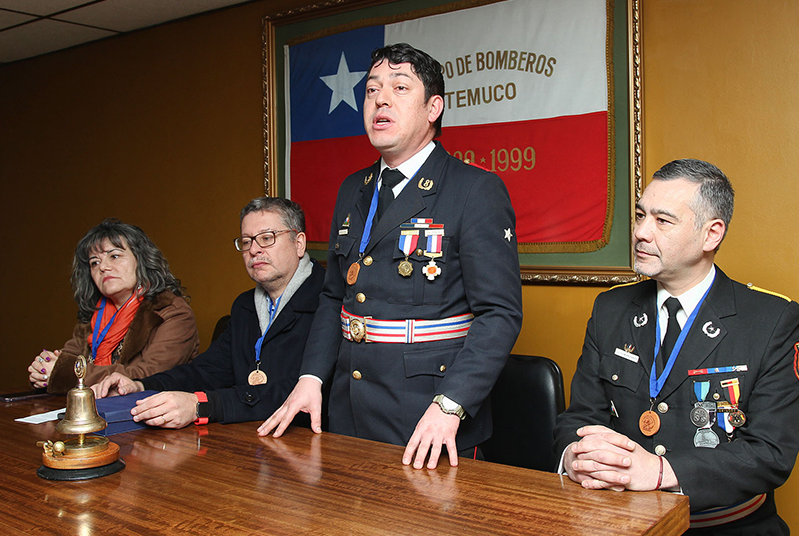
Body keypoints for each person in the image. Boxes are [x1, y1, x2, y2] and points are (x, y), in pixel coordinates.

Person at [259, 43, 523, 470]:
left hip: (428, 415)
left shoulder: (475, 190)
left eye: (400, 87)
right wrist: (311, 378)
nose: (380, 99)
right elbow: (333, 298)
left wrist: (450, 404)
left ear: (433, 108)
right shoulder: (352, 189)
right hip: (348, 406)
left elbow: (500, 314)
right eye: (371, 89)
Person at [553, 159, 799, 534]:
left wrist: (659, 471)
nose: (640, 232)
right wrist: (572, 457)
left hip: (724, 527)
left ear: (711, 235)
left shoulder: (770, 320)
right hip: (620, 523)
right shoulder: (611, 308)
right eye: (640, 216)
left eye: (662, 221)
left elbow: (771, 453)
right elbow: (579, 417)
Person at [91, 198, 325, 429]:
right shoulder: (245, 306)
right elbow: (207, 371)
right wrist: (141, 386)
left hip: (319, 443)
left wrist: (201, 405)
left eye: (266, 238)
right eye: (246, 241)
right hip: (253, 439)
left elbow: (293, 390)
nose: (254, 250)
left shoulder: (329, 300)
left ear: (299, 243)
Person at [27, 219, 199, 394]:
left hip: (146, 413)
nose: (102, 267)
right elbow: (66, 359)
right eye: (94, 262)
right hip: (93, 410)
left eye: (114, 256)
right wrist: (44, 370)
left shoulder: (172, 312)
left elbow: (149, 376)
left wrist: (64, 373)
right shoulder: (95, 314)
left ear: (141, 260)